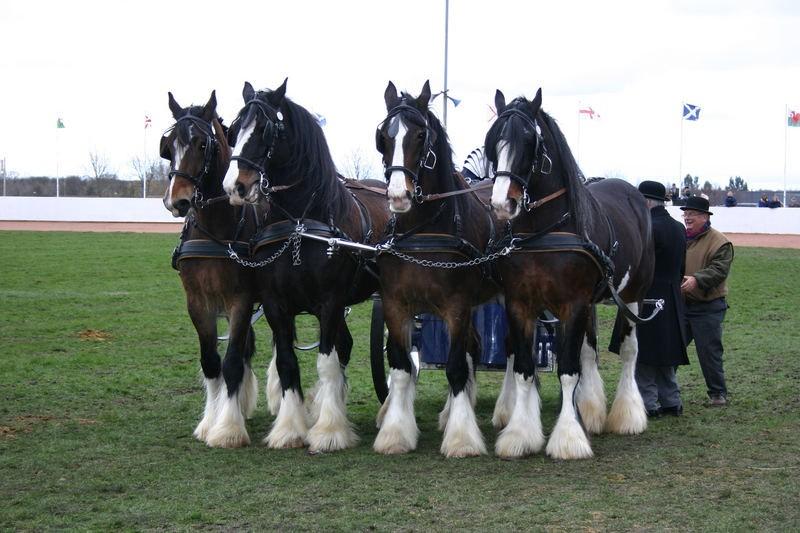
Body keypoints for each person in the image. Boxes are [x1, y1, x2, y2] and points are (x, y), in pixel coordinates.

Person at [636, 181, 689, 417]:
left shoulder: (646, 227)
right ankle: (671, 401)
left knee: (644, 353)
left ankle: (648, 403)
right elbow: (681, 268)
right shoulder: (678, 227)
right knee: (665, 353)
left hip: (648, 295)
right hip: (672, 294)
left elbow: (639, 265)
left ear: (646, 202)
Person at [680, 196, 734, 406]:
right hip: (682, 305)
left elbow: (719, 270)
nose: (687, 218)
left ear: (704, 216)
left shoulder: (720, 242)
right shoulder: (682, 237)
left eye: (692, 214)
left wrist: (697, 280)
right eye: (685, 214)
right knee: (671, 348)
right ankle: (664, 390)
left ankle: (717, 393)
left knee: (709, 352)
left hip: (708, 307)